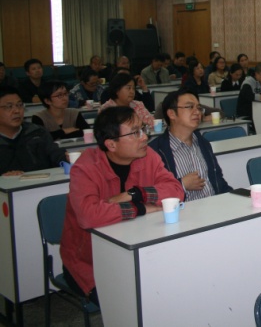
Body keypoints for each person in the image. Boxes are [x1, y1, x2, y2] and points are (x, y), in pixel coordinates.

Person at [60, 106, 184, 306]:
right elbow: (88, 216)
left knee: (170, 291)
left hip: (138, 249)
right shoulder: (86, 167)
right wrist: (140, 208)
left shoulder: (147, 156)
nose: (144, 137)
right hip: (91, 260)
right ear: (111, 144)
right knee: (128, 303)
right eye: (135, 132)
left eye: (143, 129)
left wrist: (135, 194)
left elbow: (176, 191)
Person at [148, 90, 232, 200]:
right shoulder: (155, 151)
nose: (197, 112)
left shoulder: (203, 143)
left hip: (214, 205)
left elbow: (219, 182)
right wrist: (181, 184)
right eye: (189, 107)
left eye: (199, 108)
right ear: (171, 114)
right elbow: (151, 194)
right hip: (182, 209)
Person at [0, 86, 68, 176]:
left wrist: (67, 158)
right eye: (9, 106)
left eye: (19, 105)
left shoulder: (37, 132)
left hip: (42, 183)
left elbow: (55, 155)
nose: (17, 111)